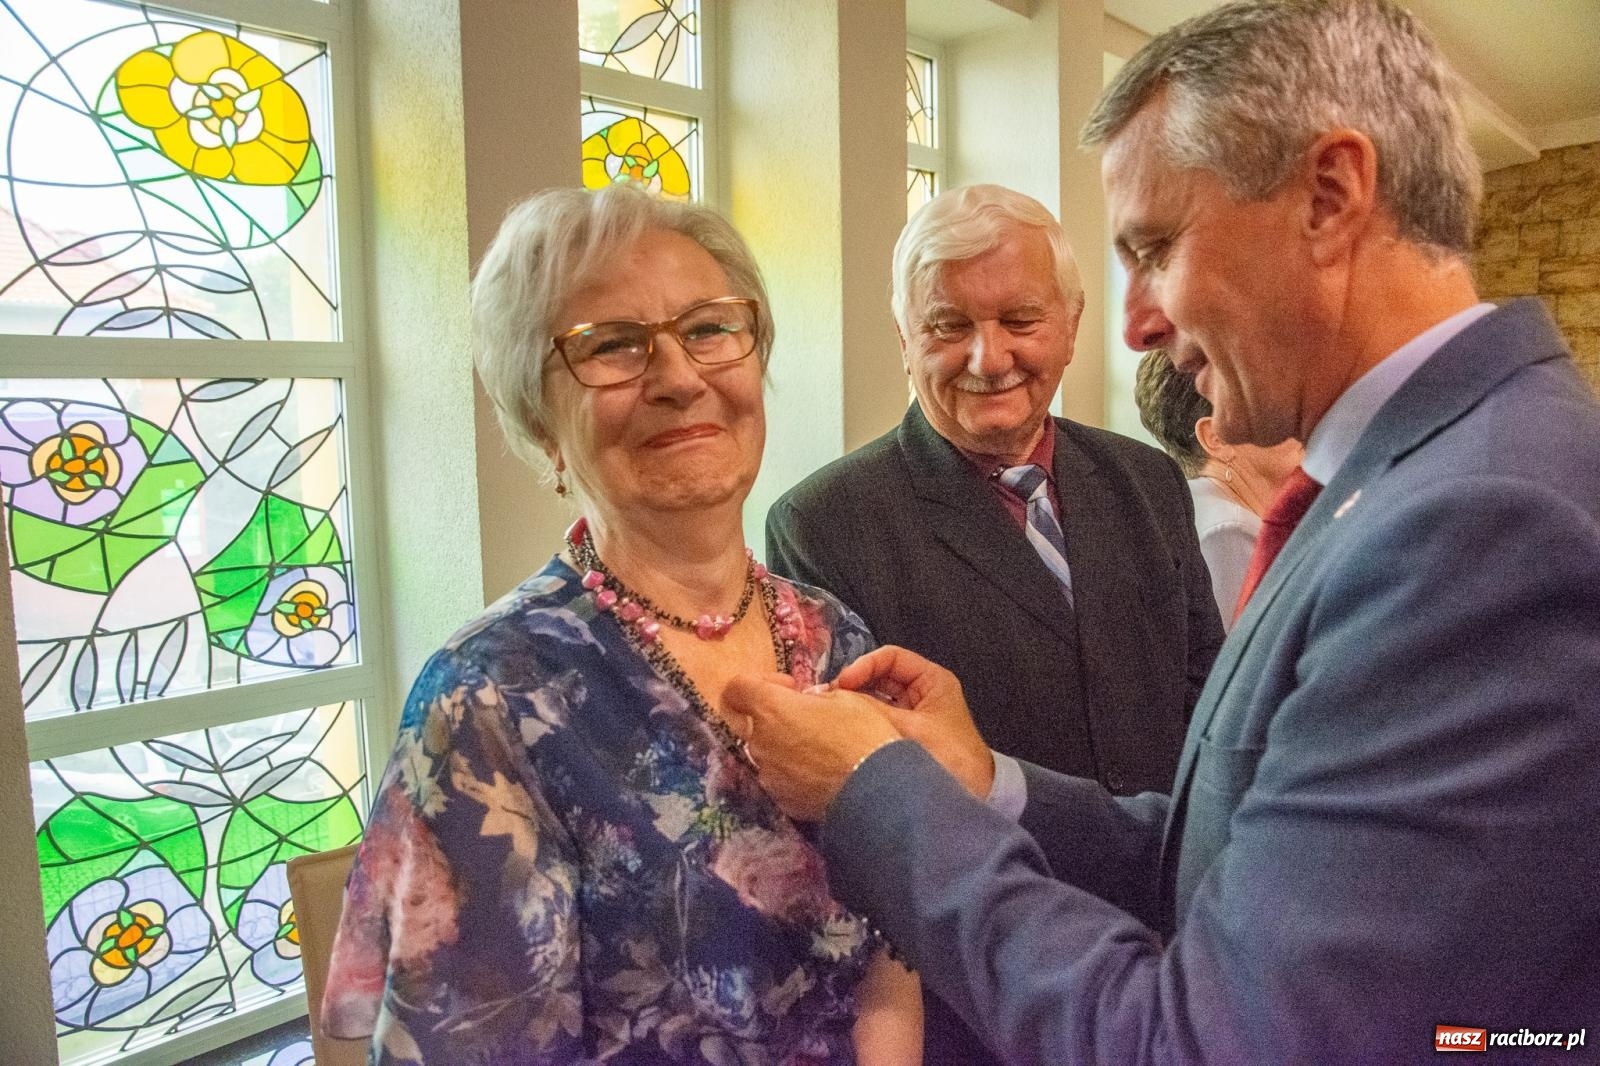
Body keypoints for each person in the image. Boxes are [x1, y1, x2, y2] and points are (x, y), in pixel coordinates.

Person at [722, 1, 1600, 1062]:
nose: (1138, 321)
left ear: (1329, 198)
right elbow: (1238, 855)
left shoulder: (1479, 525)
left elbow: (1222, 1041)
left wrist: (878, 793)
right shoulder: (1436, 475)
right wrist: (987, 780)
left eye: (1156, 248)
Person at [320, 185, 920, 1064]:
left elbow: (894, 955)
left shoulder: (834, 636)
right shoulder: (489, 698)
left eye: (708, 329)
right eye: (611, 345)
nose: (679, 378)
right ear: (540, 422)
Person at [764, 184, 1224, 1063]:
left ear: (1072, 324)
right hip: (986, 994)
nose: (989, 357)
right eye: (948, 326)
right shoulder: (825, 524)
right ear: (905, 338)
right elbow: (865, 796)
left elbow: (1207, 710)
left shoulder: (1146, 480)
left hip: (1179, 960)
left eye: (1020, 319)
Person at [1133, 349, 1303, 626]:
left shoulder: (1195, 503)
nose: (1299, 417)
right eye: (1271, 404)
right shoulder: (1228, 531)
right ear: (1217, 438)